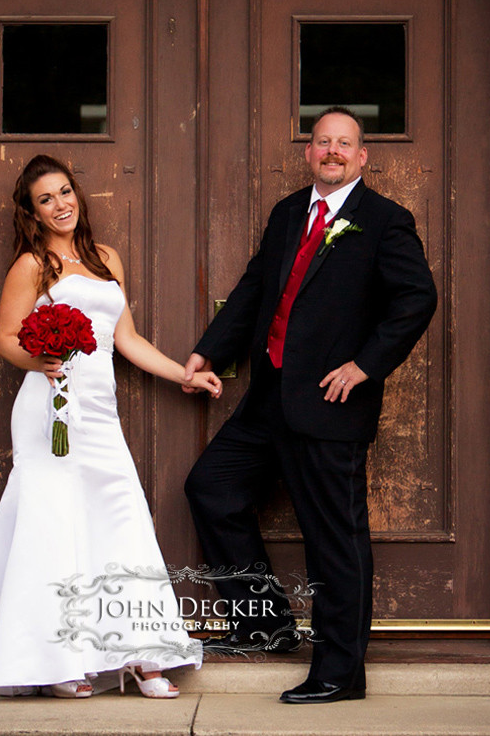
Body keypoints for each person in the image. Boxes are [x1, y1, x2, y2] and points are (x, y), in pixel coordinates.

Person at [183, 107, 437, 704]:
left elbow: (416, 299)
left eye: (344, 144)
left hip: (329, 404)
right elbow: (254, 290)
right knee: (211, 488)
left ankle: (340, 673)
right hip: (268, 398)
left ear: (362, 156)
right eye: (323, 142)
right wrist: (208, 352)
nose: (332, 152)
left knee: (335, 539)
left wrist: (365, 365)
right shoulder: (288, 213)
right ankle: (265, 624)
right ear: (309, 152)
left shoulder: (384, 221)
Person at [0, 154, 221, 699]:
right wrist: (39, 361)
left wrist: (184, 373)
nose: (60, 204)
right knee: (54, 525)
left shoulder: (106, 256)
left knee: (121, 517)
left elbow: (126, 339)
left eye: (65, 192)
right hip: (50, 411)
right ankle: (61, 659)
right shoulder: (31, 264)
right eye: (46, 199)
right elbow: (4, 338)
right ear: (33, 212)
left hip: (99, 412)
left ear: (77, 196)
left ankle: (142, 654)